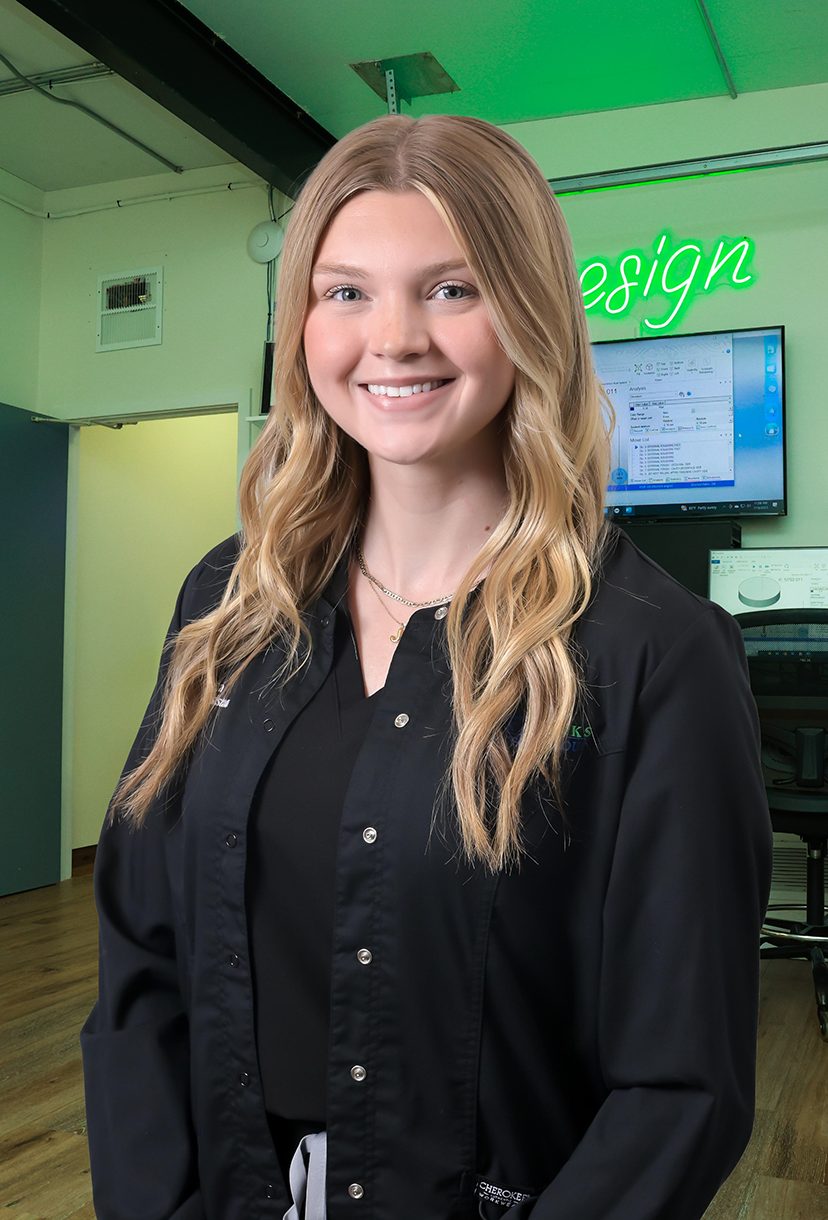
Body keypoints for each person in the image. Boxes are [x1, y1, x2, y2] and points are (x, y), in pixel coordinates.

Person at [81, 113, 772, 1220]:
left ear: (530, 312)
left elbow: (681, 1086)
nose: (393, 336)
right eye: (345, 291)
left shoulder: (651, 649)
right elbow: (142, 975)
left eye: (451, 288)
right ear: (302, 322)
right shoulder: (227, 605)